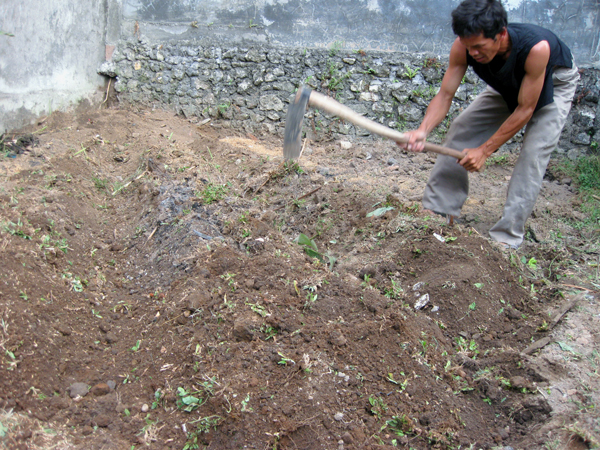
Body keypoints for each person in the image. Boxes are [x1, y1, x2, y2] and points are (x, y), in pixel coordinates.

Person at [401, 0, 579, 249]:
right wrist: (423, 130)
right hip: (509, 83)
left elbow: (526, 109)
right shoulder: (464, 47)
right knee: (462, 128)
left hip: (554, 80)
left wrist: (485, 150)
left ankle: (507, 237)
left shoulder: (536, 48)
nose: (473, 53)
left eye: (479, 47)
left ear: (501, 34)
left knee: (533, 154)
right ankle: (439, 211)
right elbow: (444, 95)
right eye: (468, 45)